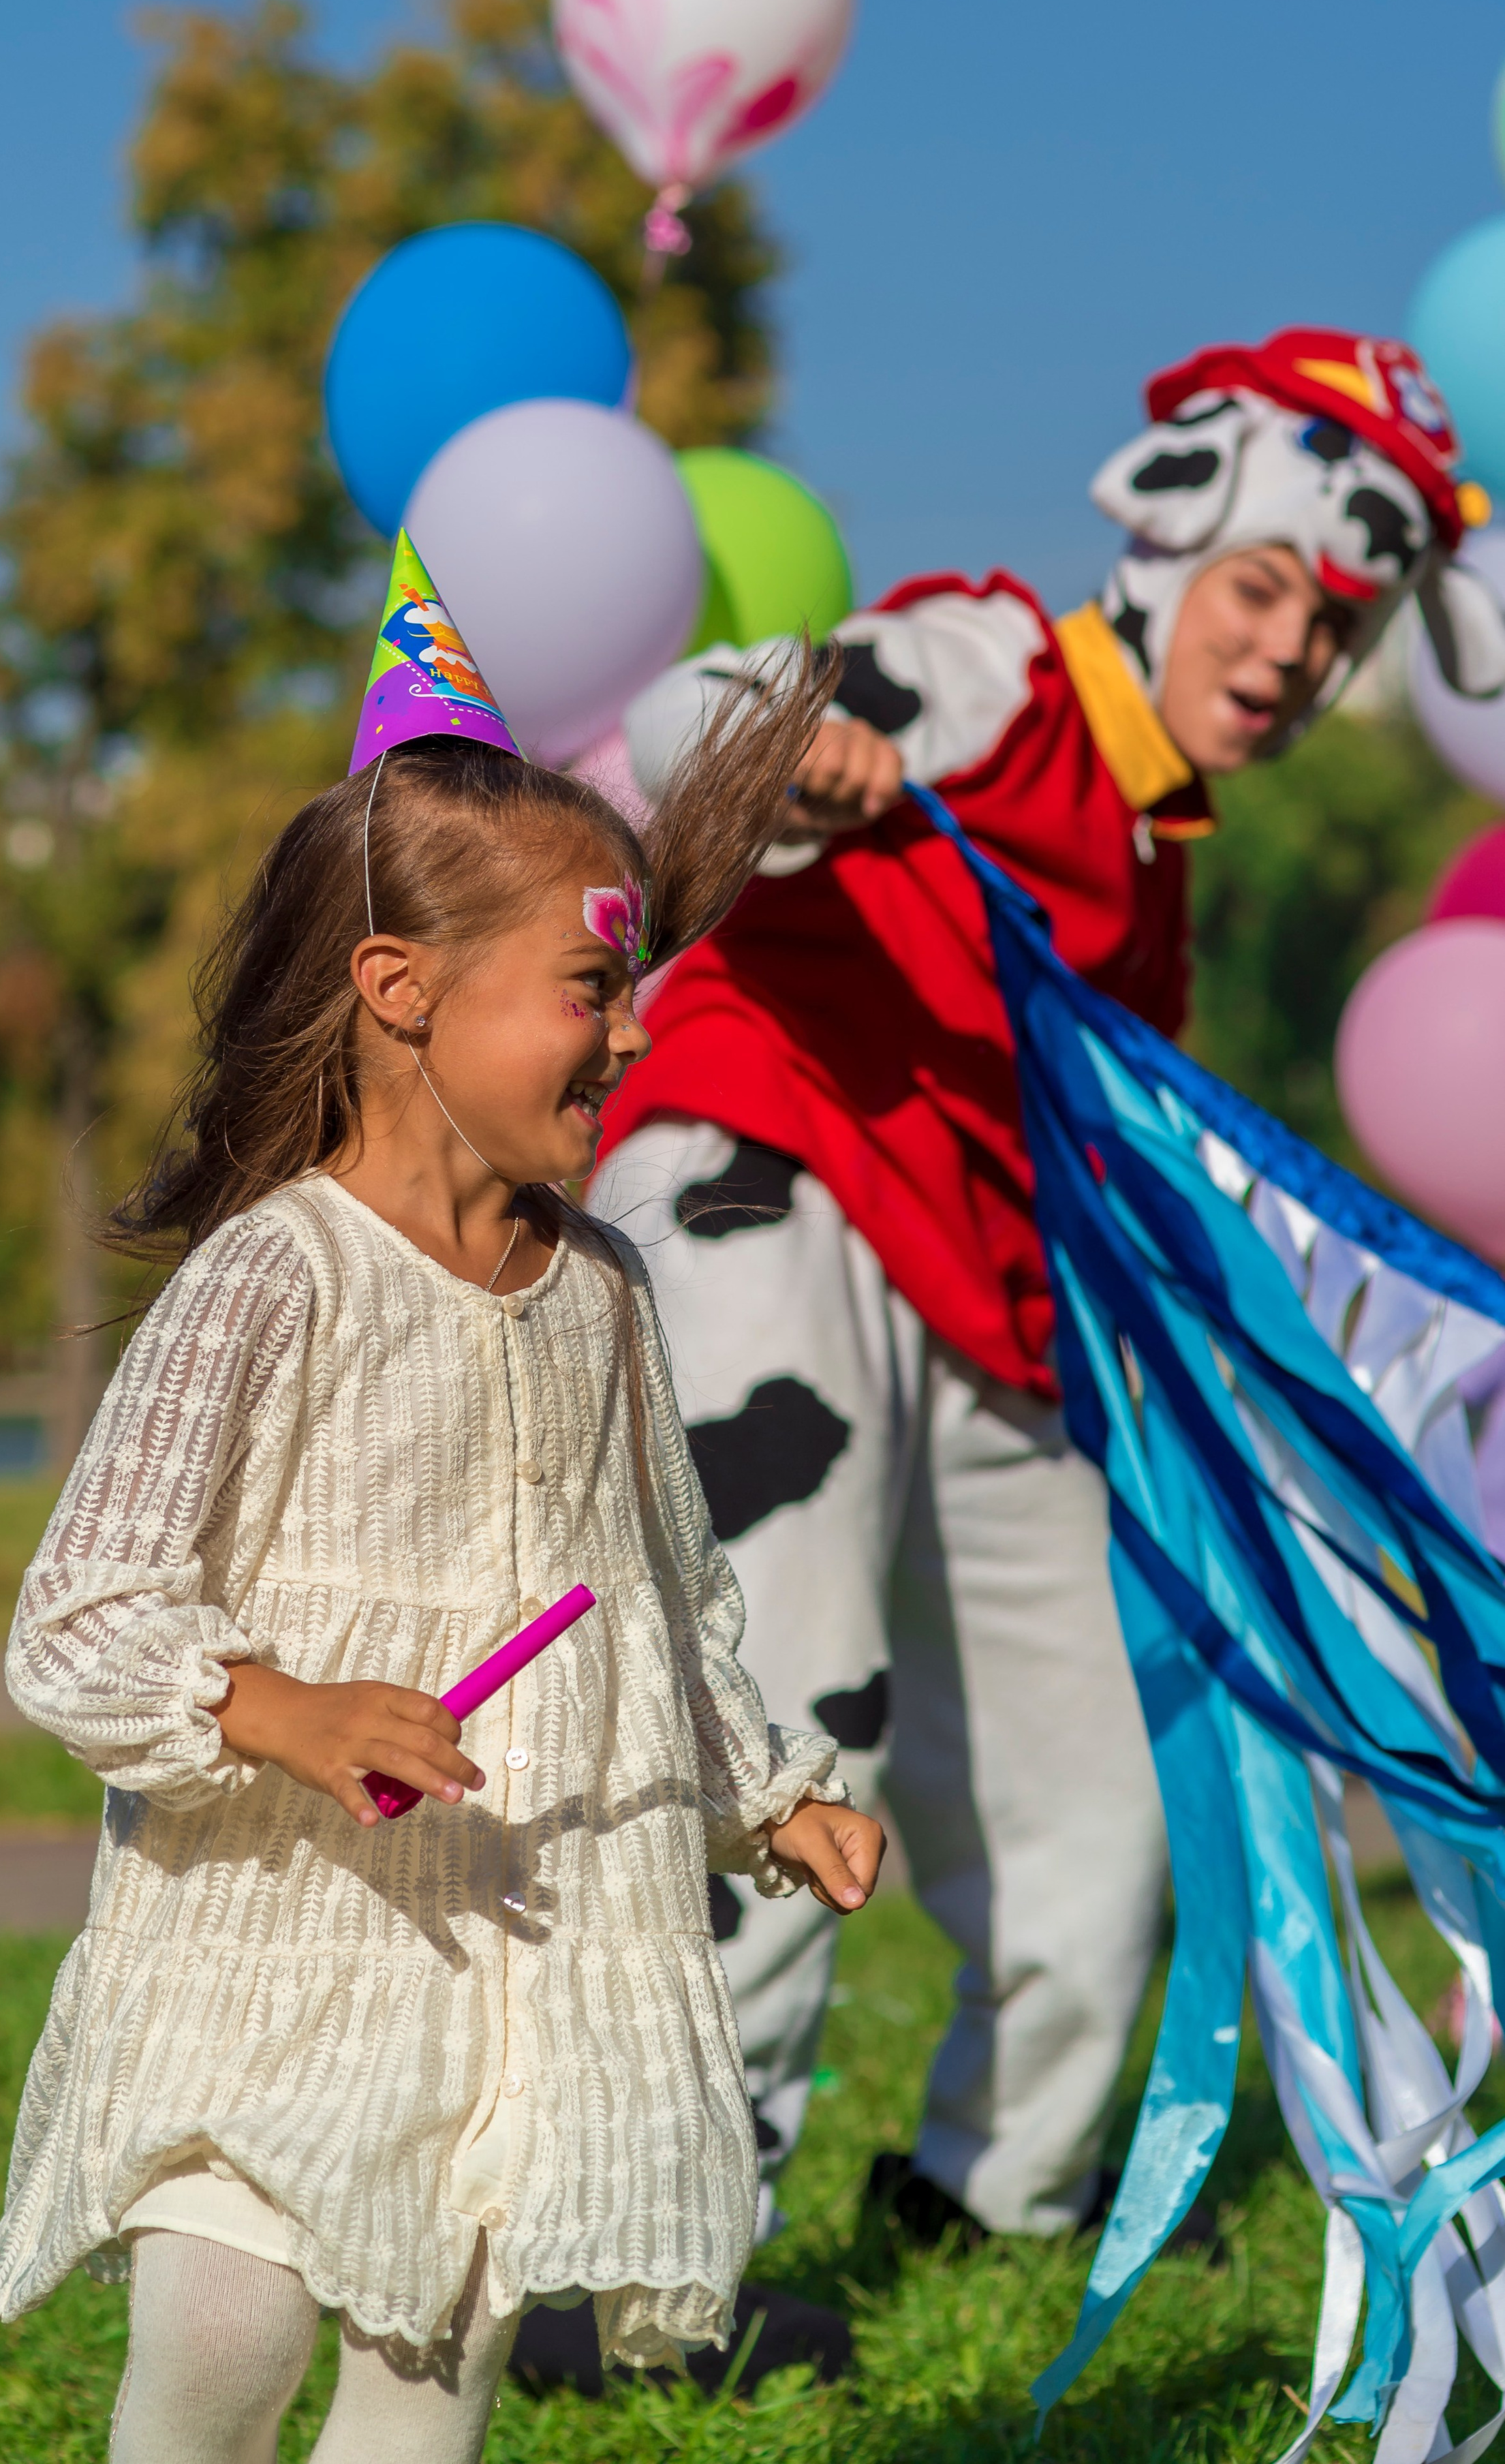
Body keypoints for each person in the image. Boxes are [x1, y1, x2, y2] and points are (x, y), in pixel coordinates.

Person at [0, 533, 885, 2464]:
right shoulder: (276, 1275)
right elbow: (83, 1608)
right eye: (584, 989)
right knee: (222, 2327)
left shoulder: (604, 1296)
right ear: (400, 989)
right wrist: (274, 1711)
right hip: (270, 1920)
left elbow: (666, 1597)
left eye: (631, 990)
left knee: (429, 2364)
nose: (630, 1036)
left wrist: (770, 1789)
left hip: (505, 1922)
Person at [591, 328, 1505, 2248]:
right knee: (788, 1714)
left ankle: (991, 2198)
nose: (1286, 654)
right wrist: (800, 742)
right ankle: (660, 2266)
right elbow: (686, 721)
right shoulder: (993, 661)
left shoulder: (1155, 851)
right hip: (776, 1188)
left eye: (1336, 630)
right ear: (1171, 545)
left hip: (994, 1319)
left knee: (1115, 1798)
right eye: (1264, 593)